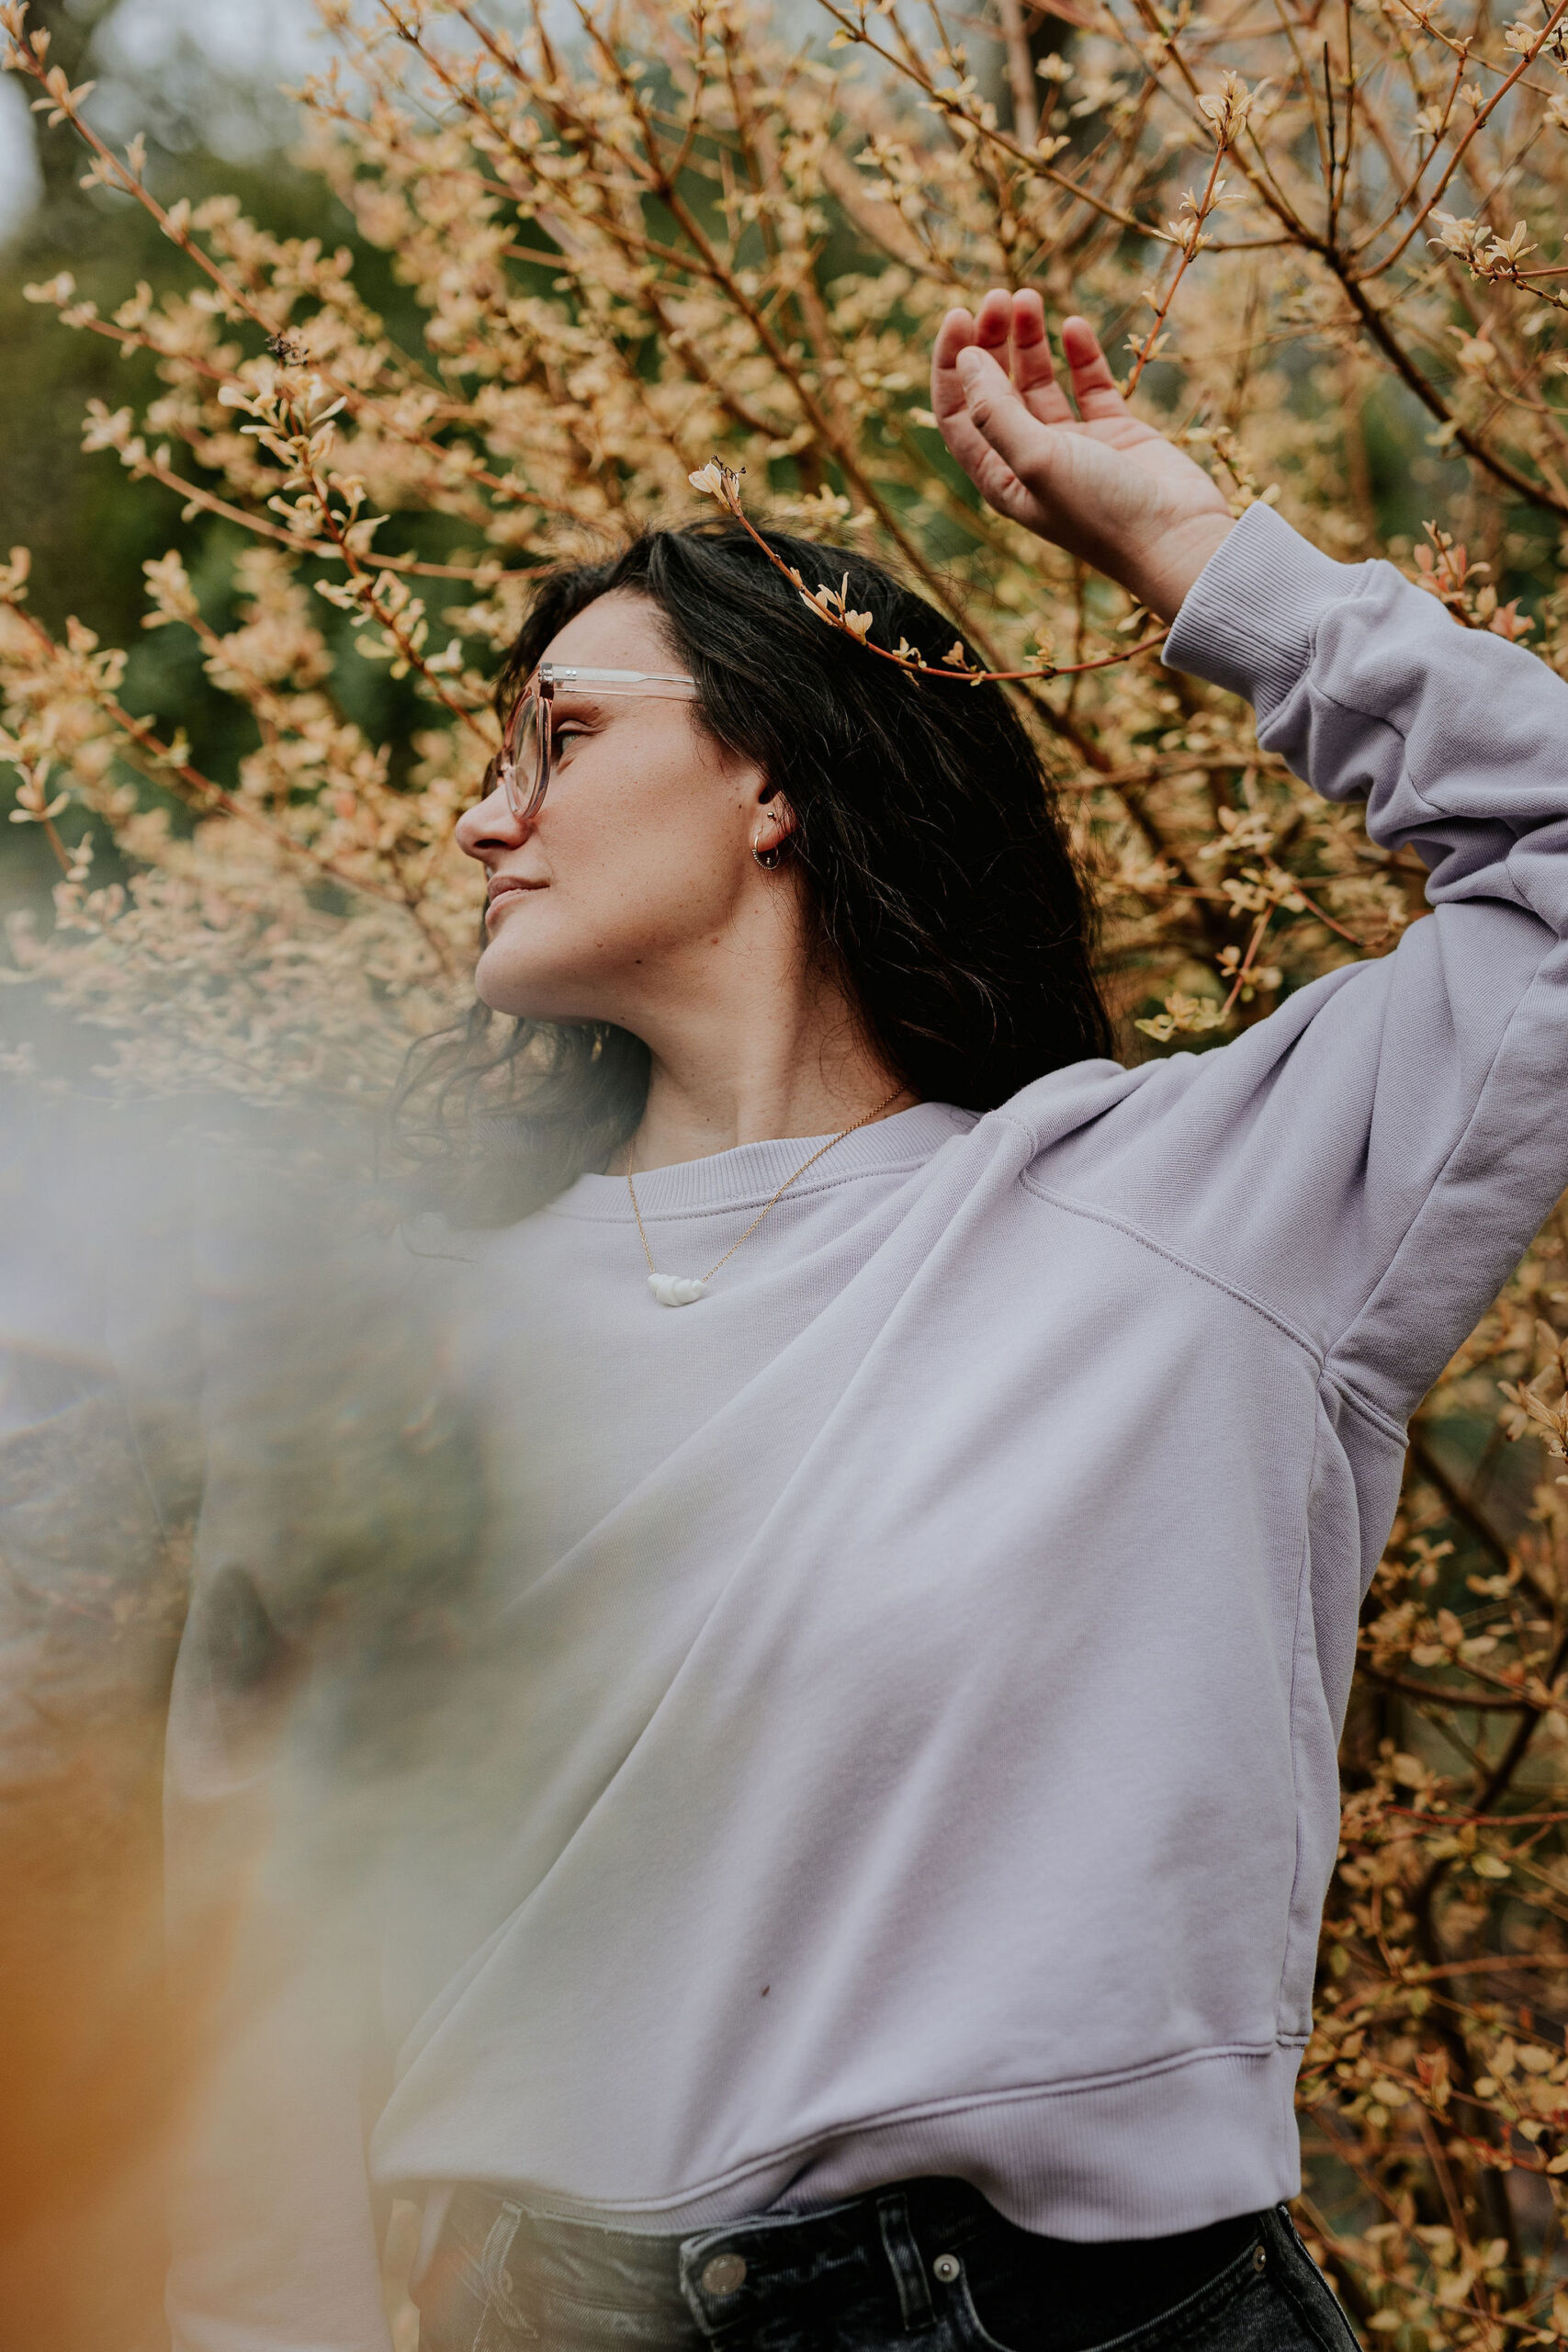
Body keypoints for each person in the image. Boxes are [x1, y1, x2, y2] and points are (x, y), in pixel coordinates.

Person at [164, 290, 1568, 2352]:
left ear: (776, 782)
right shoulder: (385, 1364)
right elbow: (246, 1976)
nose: (482, 817)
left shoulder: (1194, 1213)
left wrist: (1186, 538)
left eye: (560, 737)